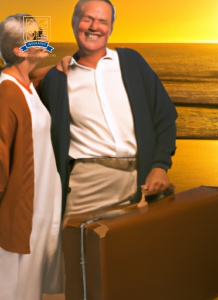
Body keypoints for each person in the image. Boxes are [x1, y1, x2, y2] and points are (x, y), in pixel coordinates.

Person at [37, 0, 178, 225]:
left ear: (110, 27)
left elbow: (164, 117)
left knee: (132, 253)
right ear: (74, 22)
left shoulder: (132, 61)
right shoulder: (57, 78)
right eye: (88, 19)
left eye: (103, 21)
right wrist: (49, 69)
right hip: (85, 184)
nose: (95, 26)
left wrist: (160, 166)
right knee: (77, 253)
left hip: (139, 181)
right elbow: (15, 86)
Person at [0, 14, 64, 300]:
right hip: (22, 211)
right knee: (15, 289)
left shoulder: (26, 85)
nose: (45, 40)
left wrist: (65, 64)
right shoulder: (7, 93)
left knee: (31, 289)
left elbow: (35, 77)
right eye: (37, 36)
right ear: (18, 50)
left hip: (40, 209)